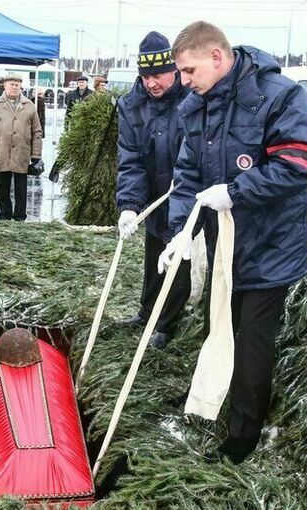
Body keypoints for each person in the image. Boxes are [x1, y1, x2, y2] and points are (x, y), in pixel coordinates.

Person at [163, 21, 307, 464]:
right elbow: (187, 174)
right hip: (227, 242)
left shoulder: (279, 95)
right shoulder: (196, 106)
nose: (186, 82)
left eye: (190, 70)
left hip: (274, 240)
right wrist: (182, 231)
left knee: (252, 334)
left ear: (217, 56)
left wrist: (235, 191)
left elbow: (301, 164)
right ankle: (220, 400)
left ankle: (244, 432)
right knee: (225, 325)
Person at [116, 31, 191, 349]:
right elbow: (130, 158)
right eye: (145, 76)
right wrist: (130, 205)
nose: (151, 83)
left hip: (185, 190)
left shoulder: (193, 100)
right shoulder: (132, 106)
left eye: (158, 75)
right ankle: (147, 311)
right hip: (153, 193)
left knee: (177, 257)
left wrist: (185, 190)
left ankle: (166, 323)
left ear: (174, 69)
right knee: (153, 254)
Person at [0, 74, 43, 221]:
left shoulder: (29, 106)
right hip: (1, 152)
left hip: (22, 153)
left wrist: (36, 155)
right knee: (2, 187)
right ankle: (5, 214)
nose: (14, 87)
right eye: (11, 84)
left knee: (21, 188)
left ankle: (20, 216)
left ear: (20, 86)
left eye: (17, 85)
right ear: (5, 85)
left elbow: (37, 131)